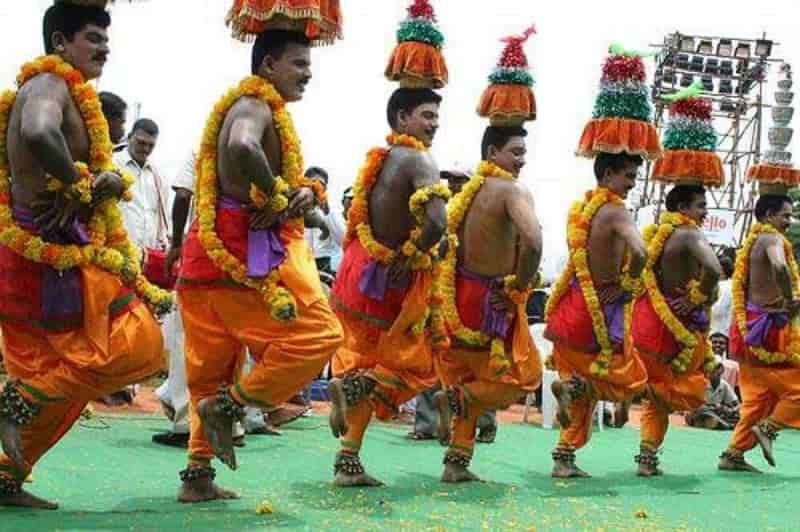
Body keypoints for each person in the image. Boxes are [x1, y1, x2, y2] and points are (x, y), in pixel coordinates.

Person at [0, 2, 167, 509]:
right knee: (132, 348)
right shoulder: (50, 85)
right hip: (48, 259)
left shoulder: (60, 88)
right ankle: (16, 402)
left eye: (106, 40)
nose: (104, 48)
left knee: (64, 383)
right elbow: (37, 131)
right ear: (59, 44)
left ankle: (5, 476)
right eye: (93, 38)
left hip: (51, 254)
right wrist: (89, 184)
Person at [175, 27, 343, 502]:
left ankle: (197, 476)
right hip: (244, 262)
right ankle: (230, 406)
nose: (308, 74)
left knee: (210, 370)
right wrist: (278, 194)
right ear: (268, 65)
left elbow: (265, 173)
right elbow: (243, 148)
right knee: (320, 336)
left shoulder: (251, 106)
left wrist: (301, 193)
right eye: (300, 64)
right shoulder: (254, 106)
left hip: (209, 262)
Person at [328, 0, 450, 487]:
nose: (433, 124)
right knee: (419, 365)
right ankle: (356, 387)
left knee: (372, 356)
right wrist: (416, 253)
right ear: (402, 116)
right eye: (426, 115)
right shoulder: (420, 161)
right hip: (397, 278)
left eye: (436, 117)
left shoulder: (381, 159)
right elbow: (438, 222)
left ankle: (347, 460)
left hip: (362, 273)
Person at [544, 45, 660, 478]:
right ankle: (573, 387)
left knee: (590, 397)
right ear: (609, 174)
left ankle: (563, 459)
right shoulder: (614, 210)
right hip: (597, 314)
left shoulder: (584, 209)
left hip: (572, 306)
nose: (632, 183)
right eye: (629, 176)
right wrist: (630, 284)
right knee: (630, 379)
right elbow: (643, 251)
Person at [433, 27, 541, 482]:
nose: (522, 160)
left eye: (524, 152)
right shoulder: (509, 190)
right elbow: (533, 240)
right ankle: (460, 407)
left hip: (459, 294)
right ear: (492, 151)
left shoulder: (468, 195)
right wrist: (519, 285)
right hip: (493, 299)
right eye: (516, 151)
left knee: (466, 374)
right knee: (519, 377)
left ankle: (457, 465)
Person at [631, 185, 721, 476]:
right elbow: (714, 269)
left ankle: (647, 459)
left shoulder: (659, 234)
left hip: (650, 321)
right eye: (700, 206)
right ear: (682, 209)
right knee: (690, 390)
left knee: (656, 393)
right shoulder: (690, 234)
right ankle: (610, 390)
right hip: (680, 329)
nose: (705, 212)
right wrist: (698, 296)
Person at [719, 194, 800, 473]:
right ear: (767, 215)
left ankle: (733, 454)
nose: (789, 222)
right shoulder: (771, 239)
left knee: (758, 397)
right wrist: (791, 300)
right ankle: (767, 428)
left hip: (750, 329)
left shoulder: (753, 242)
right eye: (785, 216)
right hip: (768, 329)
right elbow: (779, 265)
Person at [303, 166, 345, 275]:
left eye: (322, 184)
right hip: (300, 263)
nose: (317, 187)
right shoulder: (296, 204)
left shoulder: (332, 209)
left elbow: (343, 240)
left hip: (324, 266)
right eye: (313, 182)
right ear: (304, 183)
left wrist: (327, 213)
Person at [685, 358, 740, 430]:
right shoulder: (702, 383)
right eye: (710, 369)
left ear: (721, 370)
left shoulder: (724, 384)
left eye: (716, 369)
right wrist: (714, 407)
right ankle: (725, 425)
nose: (711, 372)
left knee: (738, 414)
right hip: (702, 411)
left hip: (718, 413)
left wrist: (727, 409)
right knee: (702, 410)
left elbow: (736, 404)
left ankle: (711, 423)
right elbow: (693, 404)